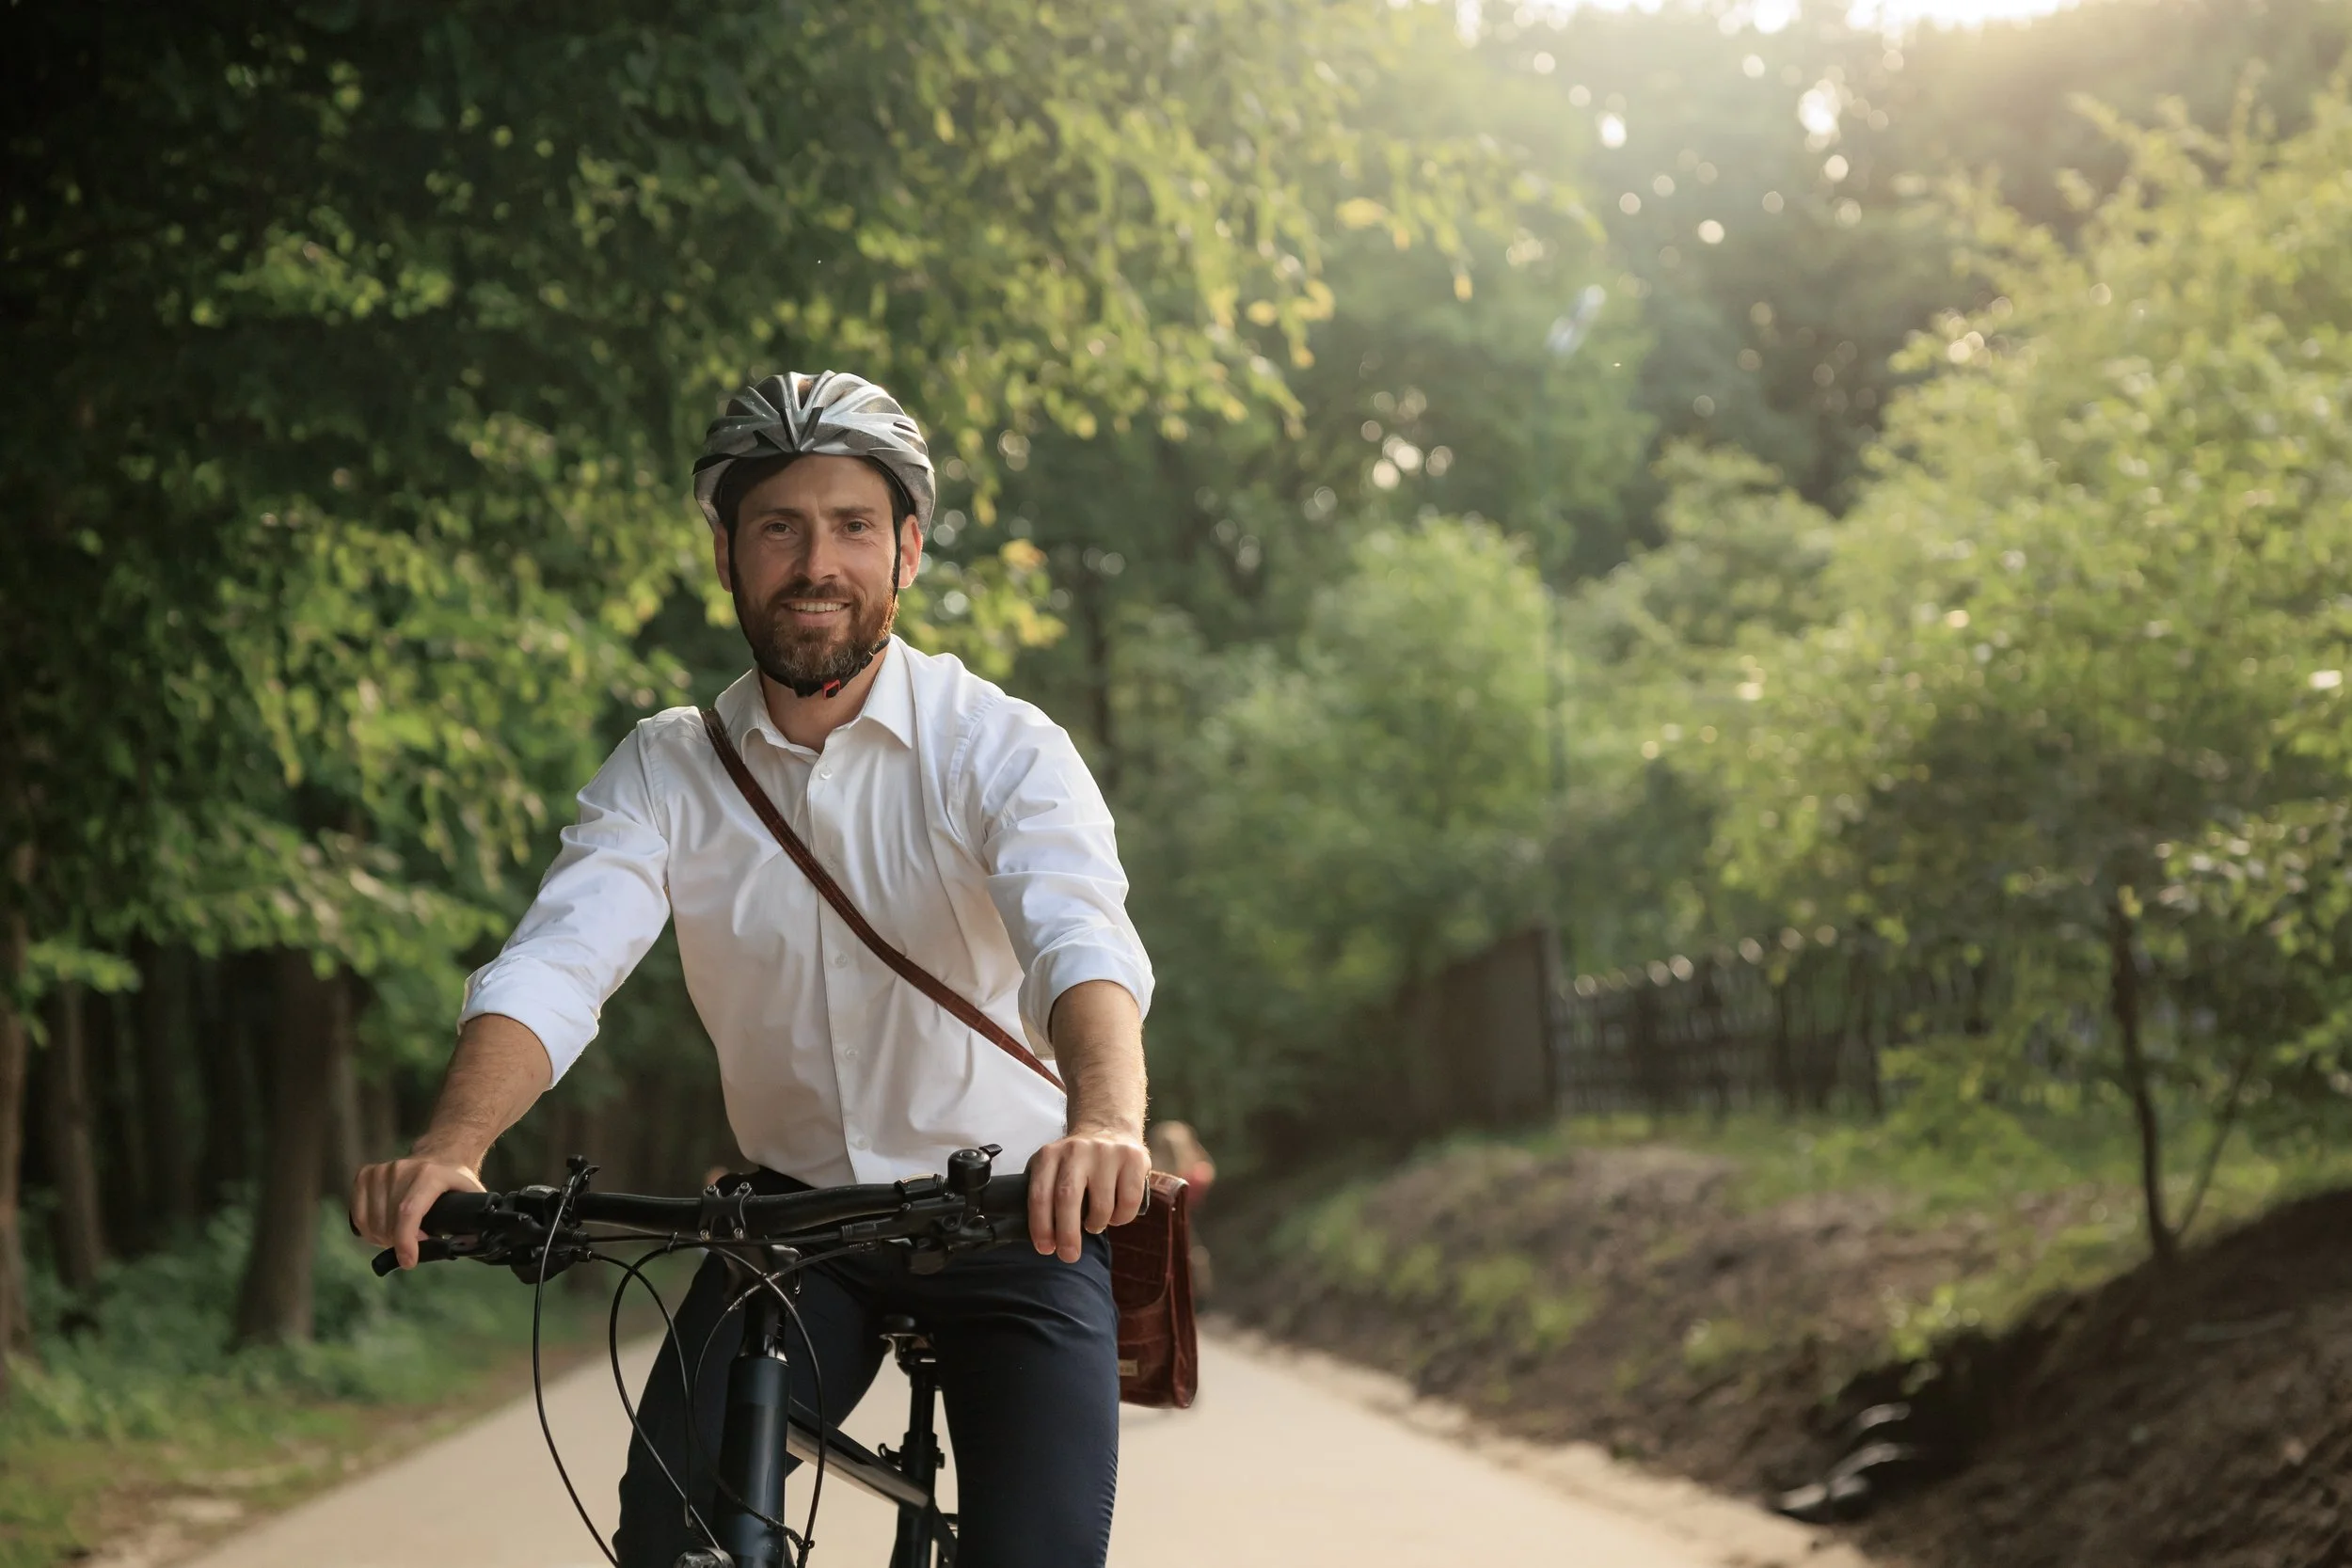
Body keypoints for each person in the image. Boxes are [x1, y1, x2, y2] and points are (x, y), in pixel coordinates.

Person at [348, 371, 1153, 1568]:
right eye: (779, 526)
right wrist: (456, 1147)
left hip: (1008, 1218)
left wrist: (1104, 1122)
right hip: (792, 1226)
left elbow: (1077, 939)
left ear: (909, 551)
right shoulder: (668, 768)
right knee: (672, 1524)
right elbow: (559, 962)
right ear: (725, 553)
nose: (815, 561)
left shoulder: (999, 745)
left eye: (852, 526)